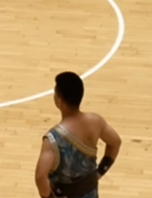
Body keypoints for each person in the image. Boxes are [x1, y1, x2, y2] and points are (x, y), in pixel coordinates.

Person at [35, 70, 122, 198]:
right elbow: (115, 142)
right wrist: (99, 172)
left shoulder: (53, 138)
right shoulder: (95, 121)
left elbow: (40, 176)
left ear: (59, 101)